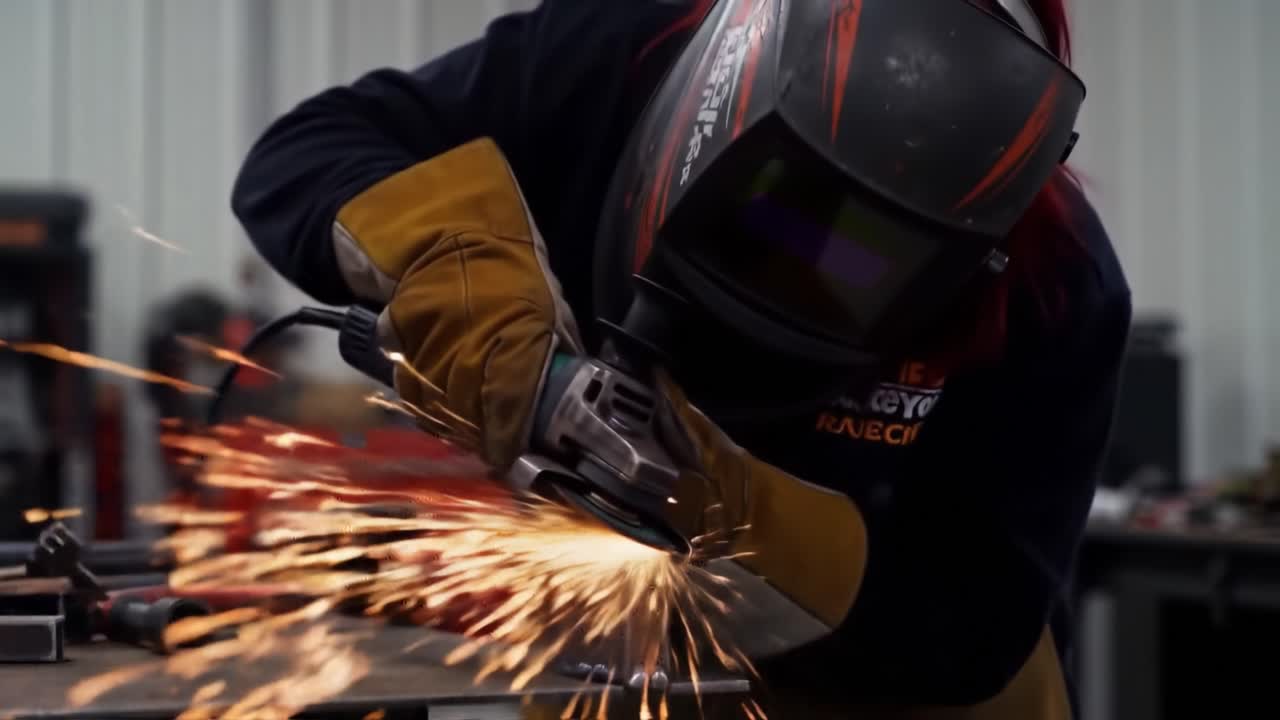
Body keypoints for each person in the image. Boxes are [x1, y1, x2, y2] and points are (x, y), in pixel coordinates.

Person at [231, 0, 1131, 717]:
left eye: (844, 260)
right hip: (620, 674)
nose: (803, 259)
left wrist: (752, 524)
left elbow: (972, 632)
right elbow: (302, 154)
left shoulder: (1055, 281)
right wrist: (454, 266)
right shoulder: (622, 54)